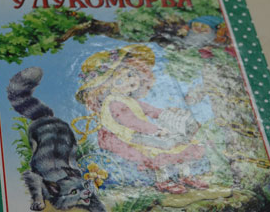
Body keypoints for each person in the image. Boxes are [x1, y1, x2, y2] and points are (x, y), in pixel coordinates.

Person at [73, 44, 207, 194]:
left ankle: (186, 175)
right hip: (123, 138)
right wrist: (156, 130)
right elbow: (132, 123)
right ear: (106, 87)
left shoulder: (129, 100)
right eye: (119, 80)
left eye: (131, 74)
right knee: (158, 148)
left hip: (141, 133)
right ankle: (163, 180)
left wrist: (167, 114)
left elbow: (150, 110)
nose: (129, 81)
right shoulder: (114, 102)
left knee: (180, 143)